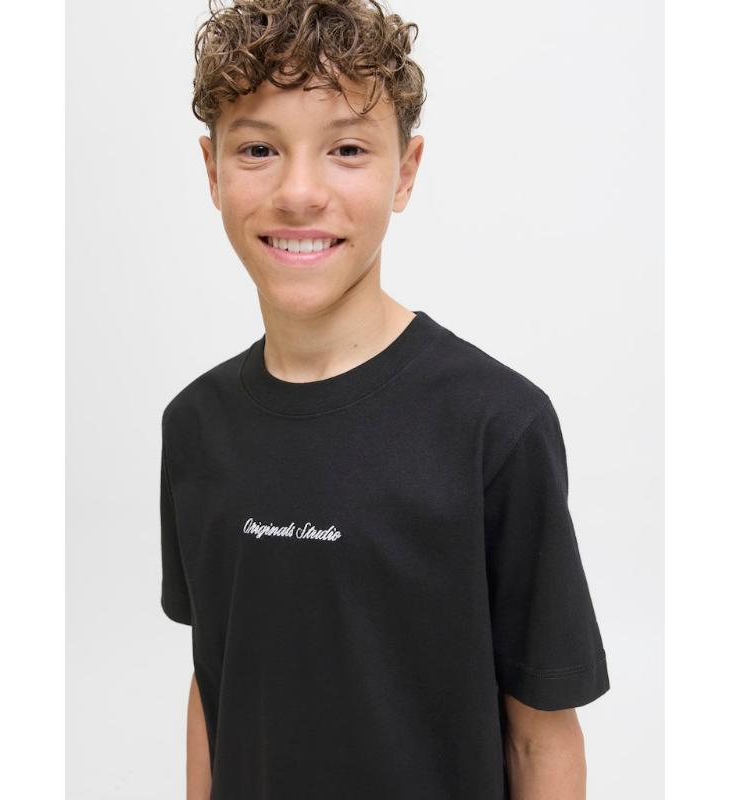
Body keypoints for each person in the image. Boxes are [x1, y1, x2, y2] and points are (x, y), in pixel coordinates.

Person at [160, 1, 610, 798]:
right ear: (212, 171)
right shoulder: (196, 426)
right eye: (259, 148)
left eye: (347, 149)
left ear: (405, 172)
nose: (300, 193)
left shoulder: (495, 427)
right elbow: (215, 683)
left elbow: (540, 737)